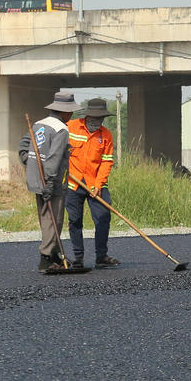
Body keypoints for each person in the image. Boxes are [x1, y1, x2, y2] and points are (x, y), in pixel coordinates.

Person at [18, 91, 76, 272]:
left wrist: (32, 164)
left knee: (46, 218)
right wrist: (50, 181)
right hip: (53, 181)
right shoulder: (61, 129)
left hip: (36, 179)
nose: (71, 114)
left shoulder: (38, 125)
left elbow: (23, 147)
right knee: (54, 219)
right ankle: (45, 258)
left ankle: (55, 254)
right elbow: (54, 157)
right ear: (64, 111)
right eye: (71, 111)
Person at [65, 98, 120, 269]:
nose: (97, 122)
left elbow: (106, 161)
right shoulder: (70, 127)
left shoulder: (106, 135)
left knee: (103, 217)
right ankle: (78, 258)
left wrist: (98, 184)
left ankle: (101, 257)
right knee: (75, 220)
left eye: (100, 118)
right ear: (87, 116)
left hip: (96, 182)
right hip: (73, 183)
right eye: (94, 118)